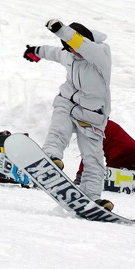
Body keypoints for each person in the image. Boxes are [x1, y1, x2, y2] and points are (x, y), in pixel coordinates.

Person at [23, 20, 115, 211]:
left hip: (92, 115)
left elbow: (83, 45)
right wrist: (35, 51)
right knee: (58, 131)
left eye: (75, 47)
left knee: (94, 158)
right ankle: (50, 158)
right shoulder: (70, 56)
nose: (75, 52)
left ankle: (92, 198)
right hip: (67, 103)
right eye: (71, 49)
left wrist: (62, 31)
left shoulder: (100, 55)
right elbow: (54, 52)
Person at [75, 119, 135, 183]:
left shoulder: (93, 129)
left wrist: (80, 175)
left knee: (108, 180)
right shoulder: (106, 123)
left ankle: (126, 175)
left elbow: (89, 154)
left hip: (119, 155)